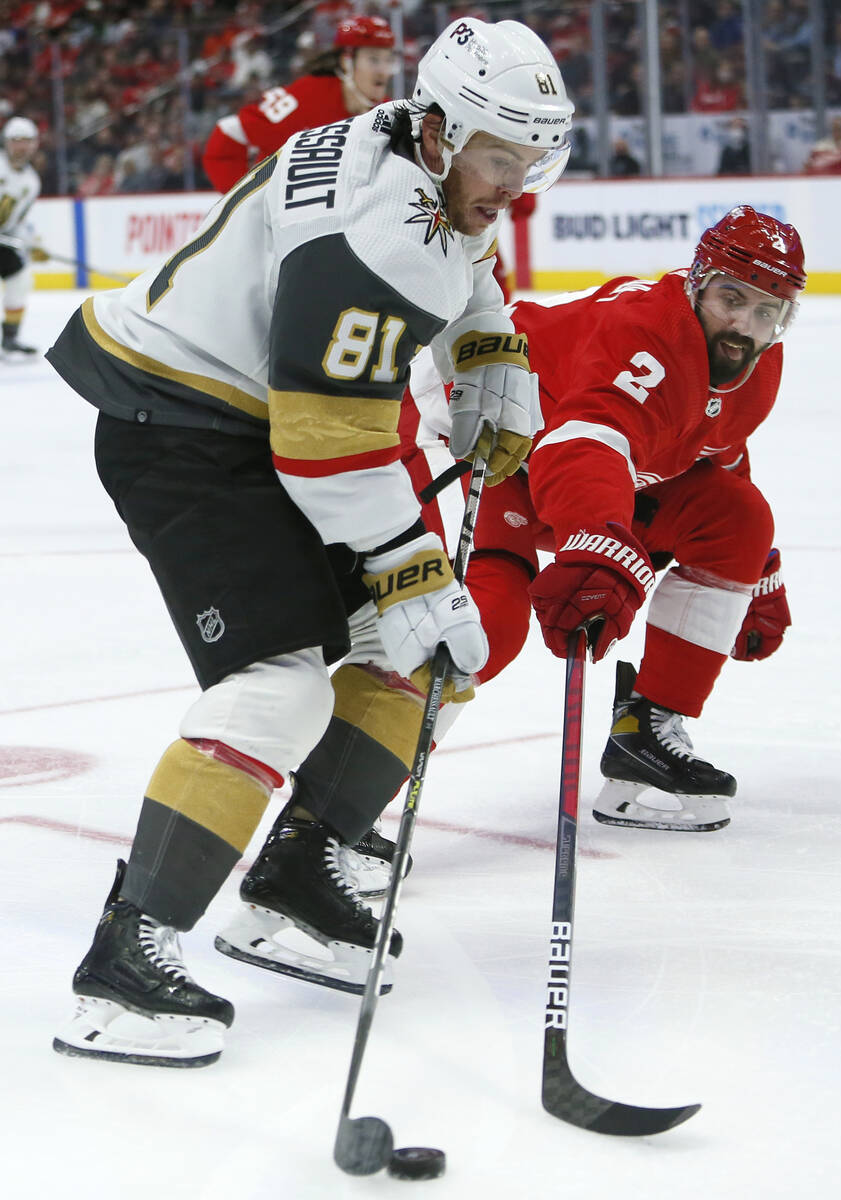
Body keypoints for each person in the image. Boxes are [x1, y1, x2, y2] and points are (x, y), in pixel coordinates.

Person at [45, 16, 573, 1068]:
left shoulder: (403, 135)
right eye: (500, 156)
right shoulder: (373, 229)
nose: (513, 182)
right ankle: (121, 964)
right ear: (445, 127)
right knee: (278, 685)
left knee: (426, 654)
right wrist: (408, 564)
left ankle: (297, 876)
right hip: (181, 425)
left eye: (531, 159)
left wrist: (489, 343)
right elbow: (326, 444)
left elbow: (462, 255)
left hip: (255, 420)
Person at [216, 206, 805, 989]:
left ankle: (646, 738)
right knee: (472, 624)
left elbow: (712, 459)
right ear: (697, 284)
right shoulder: (646, 334)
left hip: (561, 450)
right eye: (731, 298)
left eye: (767, 311)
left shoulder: (755, 367)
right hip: (468, 422)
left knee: (737, 520)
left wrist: (754, 567)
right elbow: (583, 439)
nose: (745, 324)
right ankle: (324, 825)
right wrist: (598, 536)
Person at [201, 14, 397, 193]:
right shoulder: (304, 99)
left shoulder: (389, 112)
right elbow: (228, 133)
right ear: (347, 61)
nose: (384, 71)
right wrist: (245, 204)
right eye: (374, 60)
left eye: (388, 60)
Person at [0, 116, 49, 359]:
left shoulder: (31, 181)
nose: (21, 146)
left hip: (2, 240)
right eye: (16, 140)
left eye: (27, 141)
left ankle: (9, 338)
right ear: (6, 143)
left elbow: (16, 222)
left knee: (20, 279)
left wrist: (32, 244)